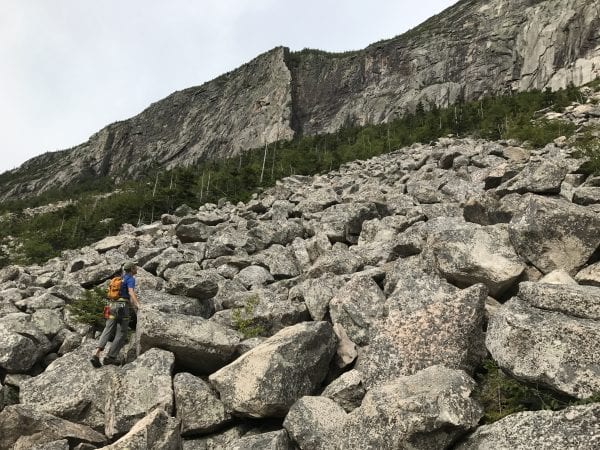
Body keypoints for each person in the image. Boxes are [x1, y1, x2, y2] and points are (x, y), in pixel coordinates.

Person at [90, 261, 141, 367]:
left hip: (111, 305)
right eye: (135, 267)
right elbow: (130, 292)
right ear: (131, 269)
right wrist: (139, 305)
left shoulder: (119, 279)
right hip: (122, 306)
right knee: (122, 332)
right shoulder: (130, 279)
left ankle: (96, 353)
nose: (136, 269)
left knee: (108, 329)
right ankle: (110, 357)